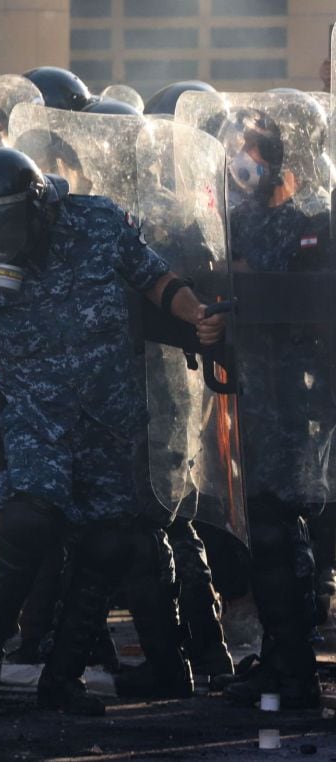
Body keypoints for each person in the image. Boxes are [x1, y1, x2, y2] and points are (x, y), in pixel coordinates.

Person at [0, 147, 224, 715]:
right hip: (37, 414)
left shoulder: (97, 223)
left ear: (38, 211)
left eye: (6, 224)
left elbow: (159, 280)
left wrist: (197, 315)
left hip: (109, 421)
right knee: (30, 514)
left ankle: (62, 680)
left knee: (107, 545)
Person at [219, 108, 328, 708]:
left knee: (283, 528)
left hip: (299, 401)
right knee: (267, 531)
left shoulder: (317, 221)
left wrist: (255, 280)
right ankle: (285, 662)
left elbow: (314, 303)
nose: (243, 162)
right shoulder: (237, 220)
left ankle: (299, 675)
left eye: (253, 150)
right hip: (249, 401)